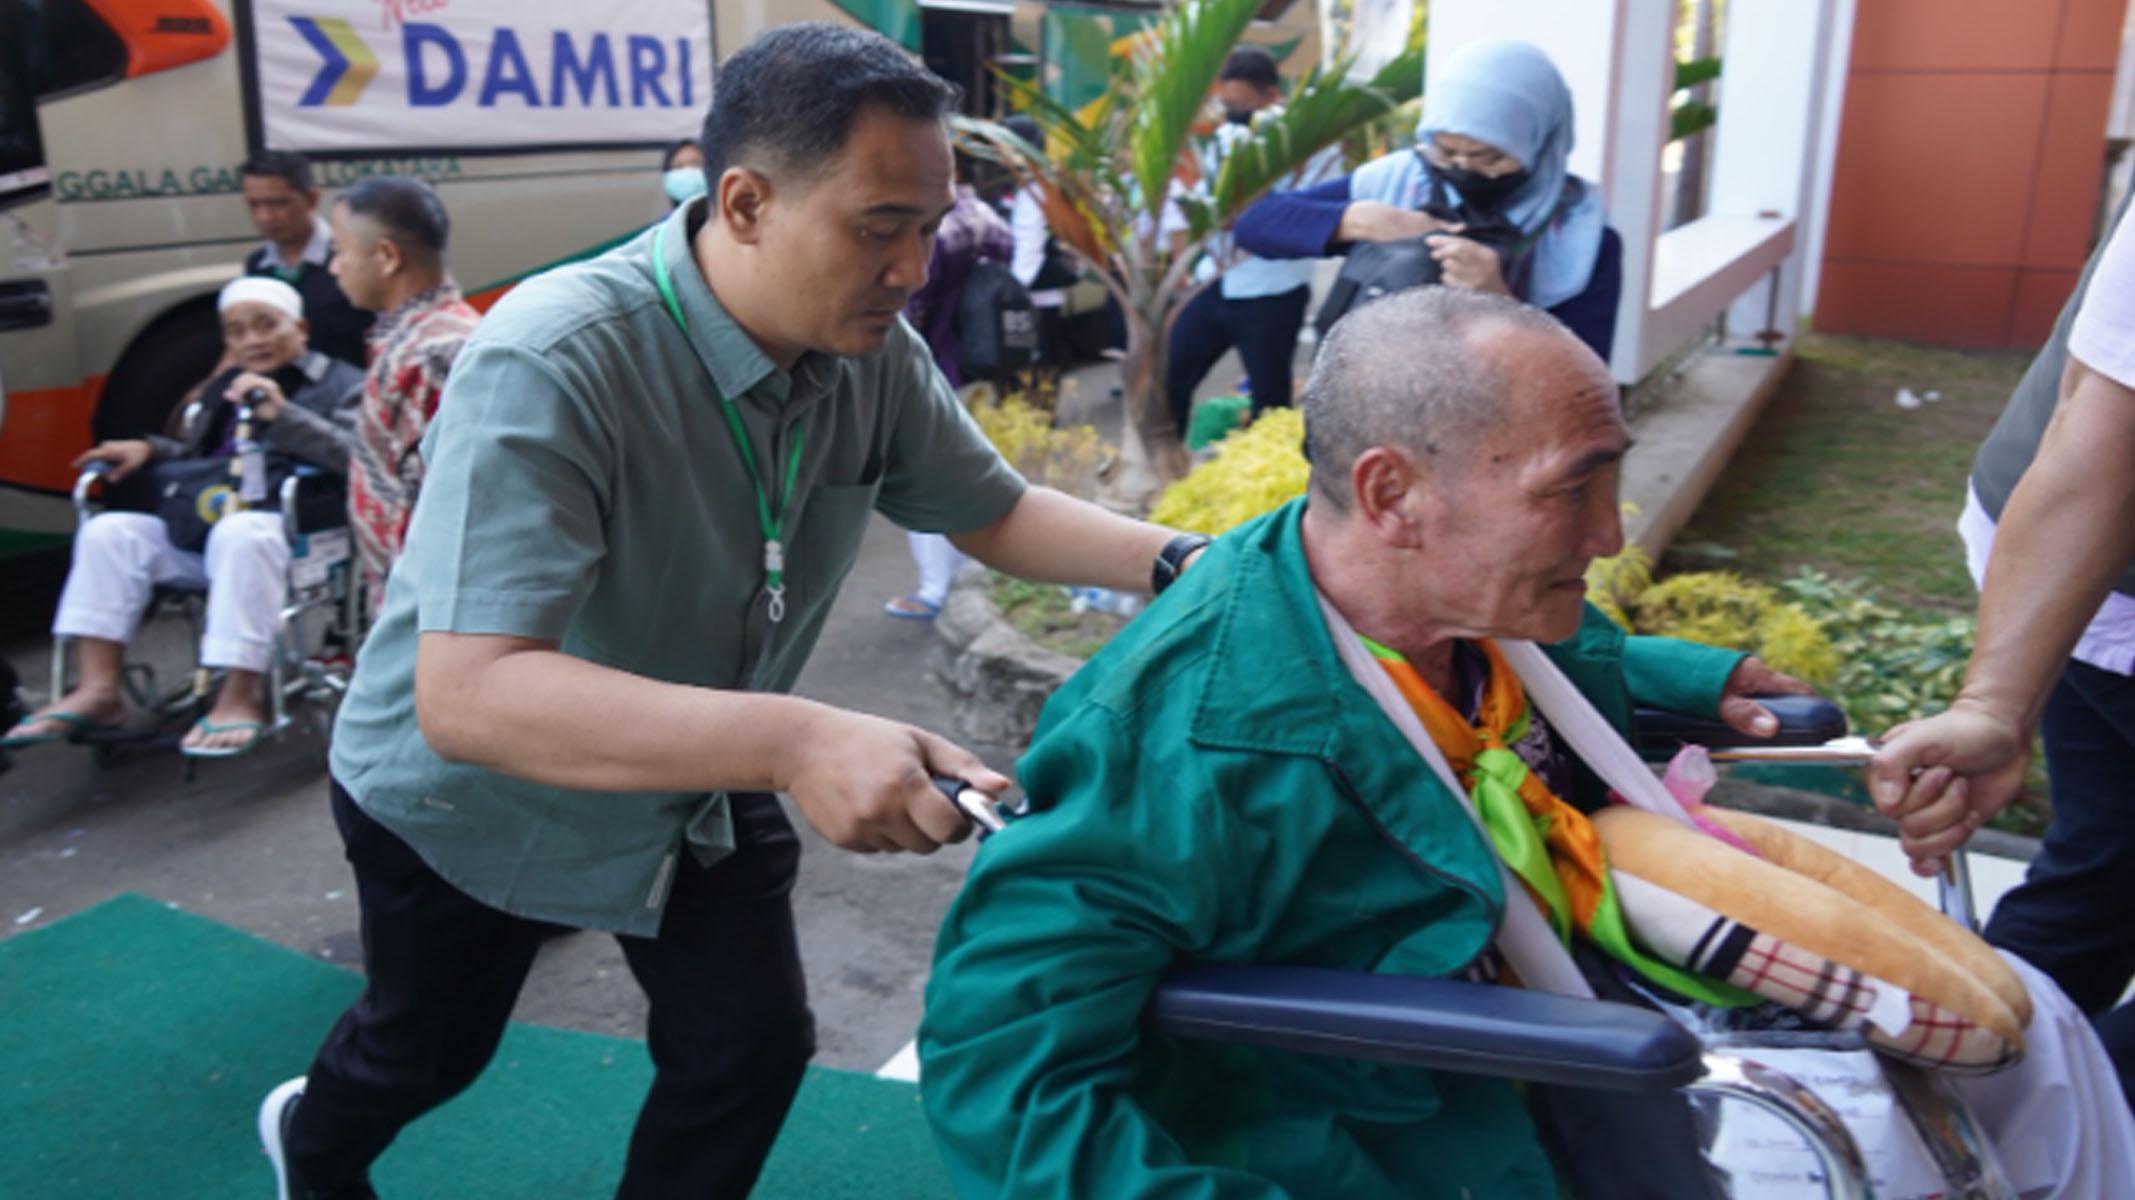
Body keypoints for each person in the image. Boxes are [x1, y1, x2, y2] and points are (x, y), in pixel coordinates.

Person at [258, 25, 1204, 1200]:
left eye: (926, 226)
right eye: (879, 227)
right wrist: (800, 738)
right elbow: (470, 695)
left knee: (746, 1054)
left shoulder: (867, 343)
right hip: (471, 801)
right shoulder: (553, 353)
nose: (914, 269)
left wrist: (1192, 563)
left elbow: (990, 508)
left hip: (697, 770)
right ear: (745, 201)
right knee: (424, 1053)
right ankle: (314, 1146)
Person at [920, 287, 2135, 1196]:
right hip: (1406, 1130)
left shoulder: (1450, 598)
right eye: (1573, 490)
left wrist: (1695, 677)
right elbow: (1001, 1067)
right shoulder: (1183, 738)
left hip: (1588, 1015)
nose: (1611, 532)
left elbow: (1573, 664)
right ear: (1393, 495)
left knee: (2038, 1038)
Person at [1871, 194, 2135, 1108]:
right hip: (2087, 572)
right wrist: (1994, 706)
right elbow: (2105, 430)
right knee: (2104, 865)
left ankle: (1965, 1115)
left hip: (2082, 575)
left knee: (2105, 867)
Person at [3, 277, 361, 758]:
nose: (252, 340)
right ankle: (99, 690)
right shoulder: (221, 390)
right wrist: (149, 449)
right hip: (207, 527)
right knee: (112, 532)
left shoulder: (343, 383)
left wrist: (284, 415)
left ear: (299, 327)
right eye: (237, 332)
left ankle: (240, 695)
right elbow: (199, 458)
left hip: (297, 537)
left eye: (265, 325)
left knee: (242, 532)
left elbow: (357, 457)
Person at [1233, 38, 1622, 360]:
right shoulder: (1401, 179)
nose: (1465, 168)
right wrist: (1359, 220)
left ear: (1539, 141)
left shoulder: (1579, 236)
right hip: (1371, 408)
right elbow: (1254, 224)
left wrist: (1499, 301)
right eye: (1448, 152)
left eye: (1490, 157)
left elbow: (1585, 370)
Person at [325, 175, 479, 616]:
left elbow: (439, 512)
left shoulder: (433, 356)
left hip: (422, 620)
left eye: (339, 251)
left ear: (388, 256)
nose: (334, 268)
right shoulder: (411, 342)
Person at [1164, 46, 1340, 434]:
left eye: (1242, 105)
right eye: (1227, 104)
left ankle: (1263, 482)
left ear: (1271, 95)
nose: (1233, 113)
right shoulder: (1225, 137)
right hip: (1215, 280)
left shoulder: (1308, 144)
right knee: (1170, 375)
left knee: (1269, 399)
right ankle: (1165, 462)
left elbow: (1317, 211)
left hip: (1271, 288)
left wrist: (1258, 211)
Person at [885, 162, 1014, 620]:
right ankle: (968, 571)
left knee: (927, 479)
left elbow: (909, 309)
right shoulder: (981, 213)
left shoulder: (925, 228)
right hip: (986, 359)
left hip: (939, 364)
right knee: (975, 470)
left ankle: (935, 588)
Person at [240, 152, 373, 369]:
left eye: (278, 204)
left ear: (311, 199)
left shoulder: (351, 258)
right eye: (254, 205)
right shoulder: (257, 265)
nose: (265, 217)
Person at [660, 137, 709, 210]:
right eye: (678, 166)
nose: (688, 171)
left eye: (696, 164)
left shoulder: (726, 220)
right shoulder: (663, 221)